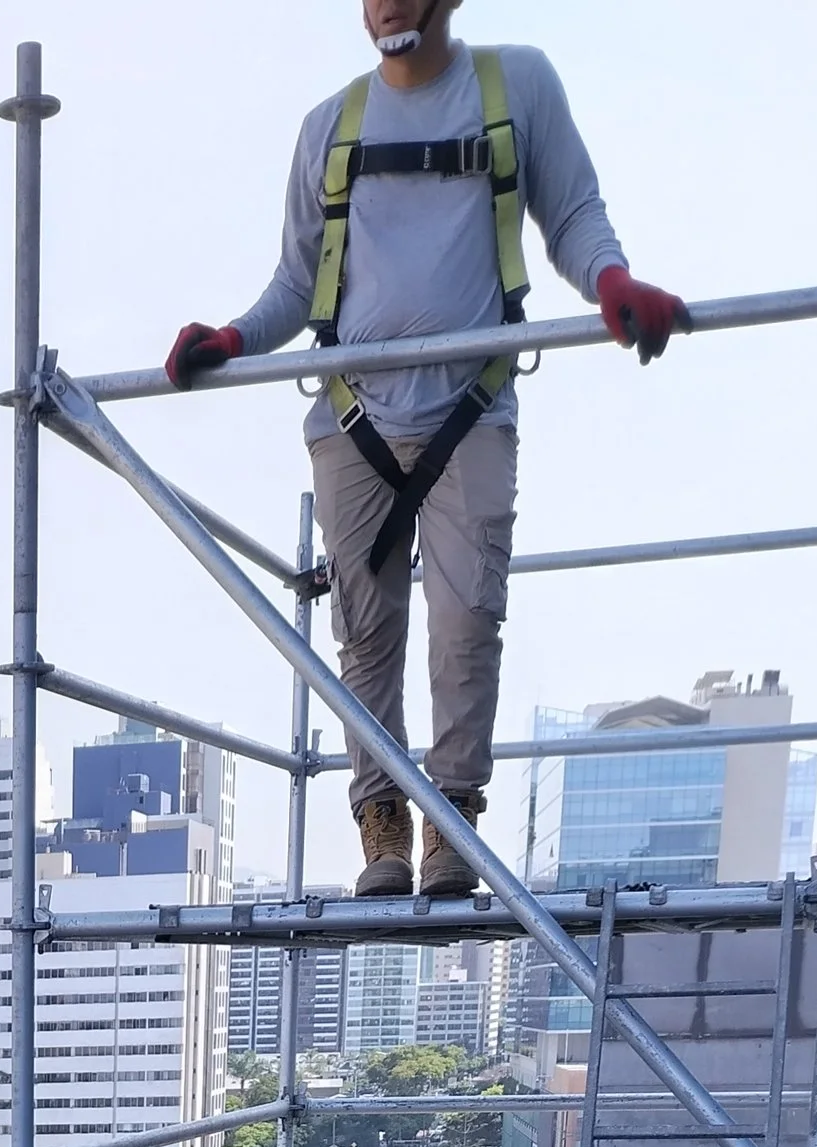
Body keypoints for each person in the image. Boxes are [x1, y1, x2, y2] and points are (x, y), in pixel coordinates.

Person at [163, 0, 686, 898]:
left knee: (465, 623)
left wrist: (611, 282)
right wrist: (236, 339)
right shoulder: (330, 126)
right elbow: (297, 281)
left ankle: (452, 817)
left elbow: (572, 214)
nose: (387, 8)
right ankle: (383, 823)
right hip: (352, 416)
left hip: (469, 407)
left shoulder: (514, 86)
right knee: (366, 636)